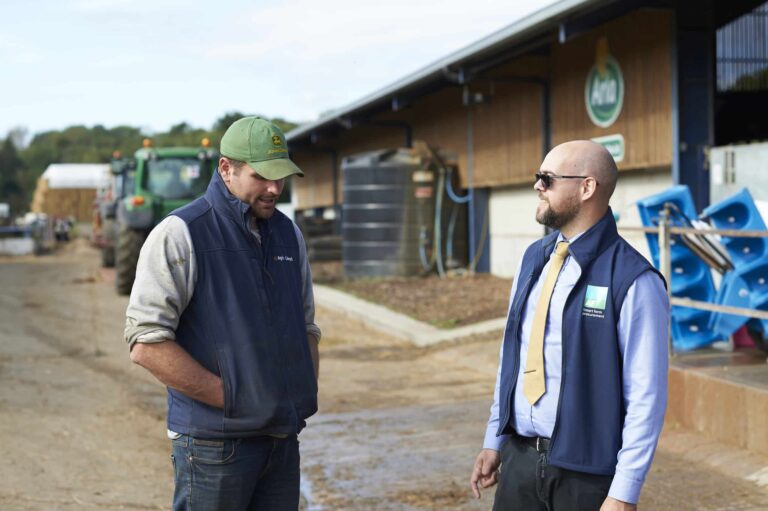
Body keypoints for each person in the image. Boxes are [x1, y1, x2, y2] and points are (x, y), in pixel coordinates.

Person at [125, 116, 320, 511]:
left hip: (281, 440)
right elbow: (146, 342)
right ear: (226, 169)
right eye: (262, 176)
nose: (274, 189)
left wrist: (300, 391)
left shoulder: (288, 235)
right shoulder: (181, 233)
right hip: (215, 448)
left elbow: (306, 326)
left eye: (281, 178)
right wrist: (232, 397)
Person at [469, 140, 669, 511]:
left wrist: (624, 492)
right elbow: (511, 357)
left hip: (586, 478)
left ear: (586, 187)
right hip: (519, 462)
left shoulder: (634, 279)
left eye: (546, 179)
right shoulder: (533, 259)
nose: (537, 187)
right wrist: (494, 441)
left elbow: (646, 396)